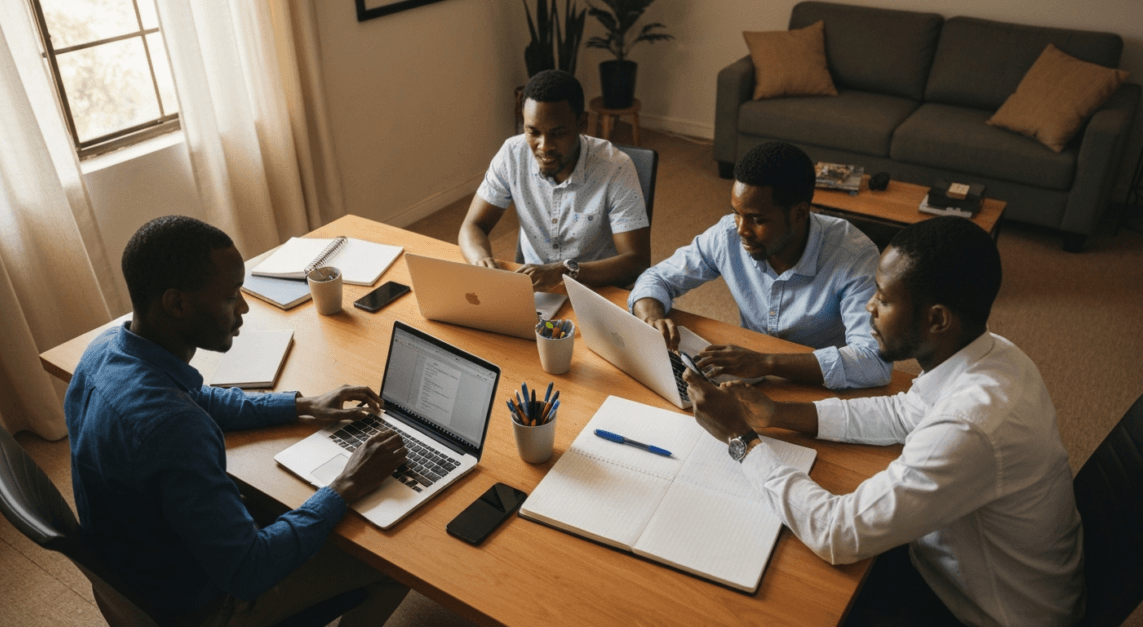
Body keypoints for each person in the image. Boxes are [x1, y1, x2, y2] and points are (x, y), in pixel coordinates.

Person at [683, 216, 1084, 626]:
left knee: (770, 600)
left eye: (884, 298)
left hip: (977, 611)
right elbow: (901, 412)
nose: (868, 307)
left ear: (937, 320)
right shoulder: (994, 352)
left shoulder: (971, 425)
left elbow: (838, 534)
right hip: (956, 567)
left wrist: (740, 439)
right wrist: (778, 413)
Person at [65, 216, 411, 626]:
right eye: (231, 296)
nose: (244, 308)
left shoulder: (104, 350)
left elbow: (196, 398)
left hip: (140, 574)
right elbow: (250, 570)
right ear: (177, 304)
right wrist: (346, 483)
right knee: (394, 560)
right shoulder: (172, 429)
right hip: (205, 608)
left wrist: (303, 405)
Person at [628, 141, 891, 390]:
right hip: (746, 378)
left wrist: (765, 362)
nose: (741, 230)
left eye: (756, 219)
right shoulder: (727, 235)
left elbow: (873, 361)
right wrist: (651, 318)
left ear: (799, 214)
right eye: (736, 213)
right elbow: (657, 279)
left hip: (822, 384)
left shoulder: (854, 255)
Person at [458, 69, 651, 291]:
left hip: (597, 288)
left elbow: (636, 261)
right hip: (534, 290)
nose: (544, 146)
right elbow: (472, 226)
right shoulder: (512, 153)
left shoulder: (616, 167)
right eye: (533, 132)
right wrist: (481, 262)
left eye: (558, 133)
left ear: (582, 124)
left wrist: (565, 271)